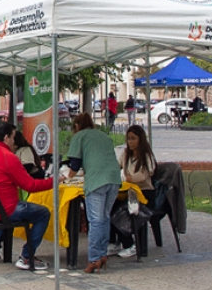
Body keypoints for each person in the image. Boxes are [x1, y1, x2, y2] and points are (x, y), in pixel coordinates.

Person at [0, 121, 55, 270]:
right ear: (5, 138)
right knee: (43, 213)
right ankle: (27, 256)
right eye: (13, 137)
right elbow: (30, 185)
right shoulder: (8, 157)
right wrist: (53, 182)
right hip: (7, 209)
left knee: (10, 211)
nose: (14, 141)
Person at [64, 112, 121, 273]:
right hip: (114, 178)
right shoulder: (103, 136)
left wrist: (66, 177)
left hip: (96, 181)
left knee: (95, 221)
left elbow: (74, 165)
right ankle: (103, 254)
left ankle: (94, 258)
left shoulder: (79, 136)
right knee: (104, 218)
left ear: (76, 125)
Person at [109, 125, 157, 258]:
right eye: (128, 139)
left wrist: (128, 177)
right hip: (127, 193)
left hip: (143, 194)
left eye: (133, 139)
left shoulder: (147, 156)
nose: (130, 142)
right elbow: (115, 166)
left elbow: (143, 176)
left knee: (121, 213)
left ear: (140, 140)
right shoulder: (125, 154)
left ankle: (131, 244)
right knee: (107, 207)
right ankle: (113, 242)